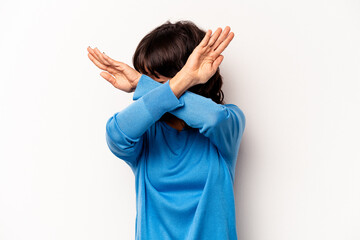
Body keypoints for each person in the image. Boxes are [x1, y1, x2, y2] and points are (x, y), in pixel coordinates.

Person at [87, 20, 246, 240]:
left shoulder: (228, 123)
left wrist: (142, 85)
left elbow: (212, 118)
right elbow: (116, 133)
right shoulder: (144, 136)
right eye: (146, 78)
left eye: (156, 79)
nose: (150, 91)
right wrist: (183, 80)